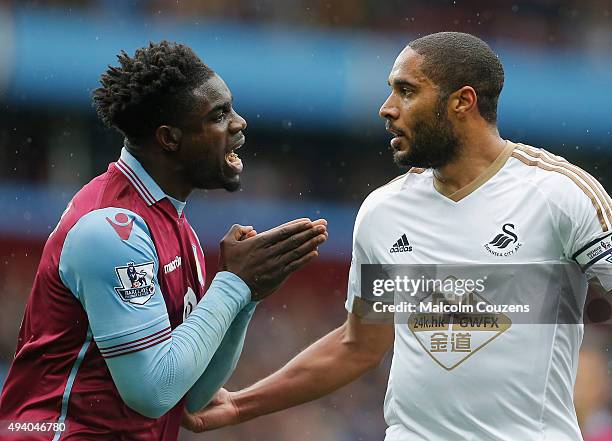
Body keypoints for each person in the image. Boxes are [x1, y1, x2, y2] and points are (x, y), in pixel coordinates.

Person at [184, 32, 612, 441]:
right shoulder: (385, 211)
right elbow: (358, 345)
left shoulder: (562, 195)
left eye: (406, 91)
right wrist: (241, 405)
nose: (387, 108)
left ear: (463, 101)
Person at [0, 41, 328, 440]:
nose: (239, 123)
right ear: (169, 138)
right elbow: (152, 393)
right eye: (219, 114)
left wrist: (246, 295)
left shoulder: (175, 224)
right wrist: (231, 285)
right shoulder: (111, 230)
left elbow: (188, 396)